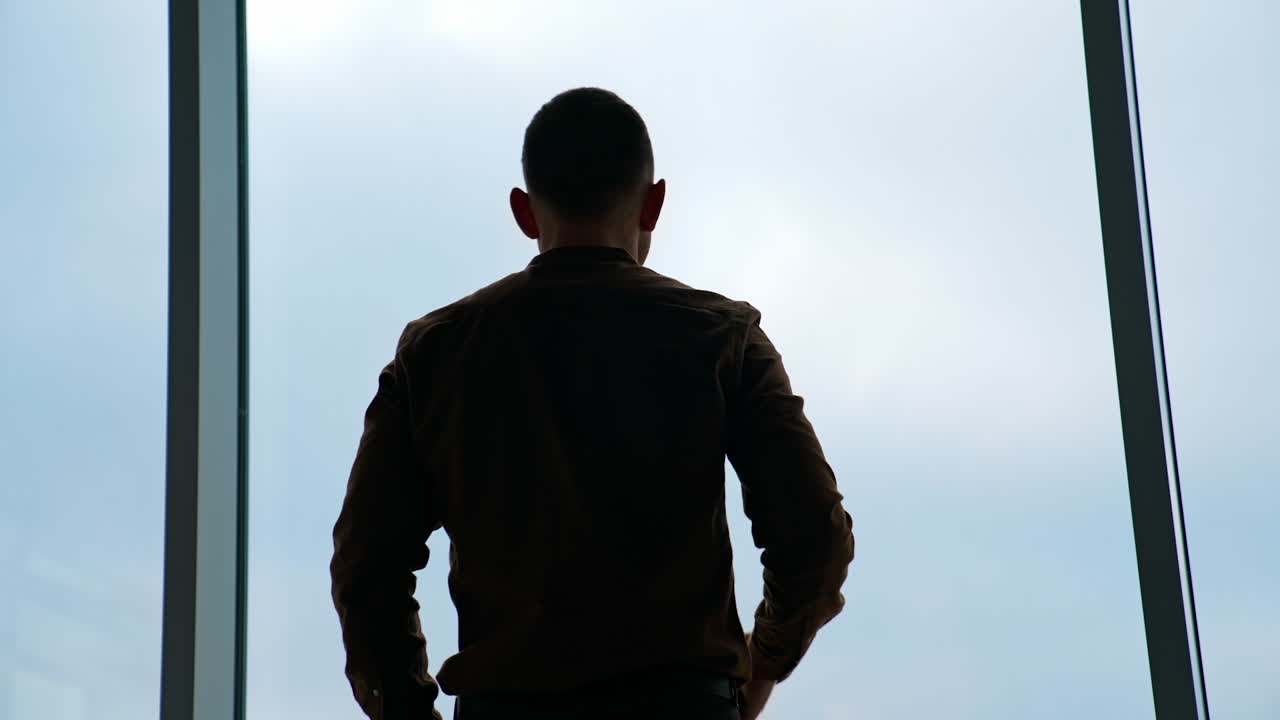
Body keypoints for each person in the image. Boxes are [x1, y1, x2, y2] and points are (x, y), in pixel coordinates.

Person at [330, 87, 855, 720]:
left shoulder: (436, 352)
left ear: (524, 212)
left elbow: (367, 567)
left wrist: (409, 709)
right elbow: (815, 540)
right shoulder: (723, 338)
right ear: (653, 203)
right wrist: (761, 666)